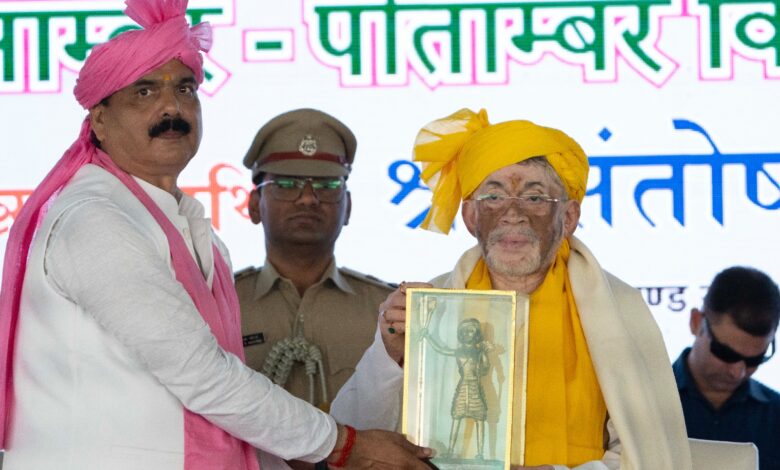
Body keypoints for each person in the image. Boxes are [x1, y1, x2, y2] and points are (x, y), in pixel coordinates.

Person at [0, 1, 431, 469]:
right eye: (144, 91)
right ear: (99, 120)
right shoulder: (96, 220)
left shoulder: (184, 226)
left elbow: (230, 424)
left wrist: (344, 441)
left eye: (185, 88)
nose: (172, 107)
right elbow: (202, 376)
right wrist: (347, 446)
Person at [331, 108, 693, 469]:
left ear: (568, 217)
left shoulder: (618, 308)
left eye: (534, 198)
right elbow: (357, 437)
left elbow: (646, 454)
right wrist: (389, 354)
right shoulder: (430, 305)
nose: (513, 213)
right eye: (494, 197)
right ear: (470, 216)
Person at [236, 109, 394, 412]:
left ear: (348, 207)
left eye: (327, 186)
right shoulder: (219, 305)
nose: (308, 198)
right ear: (254, 206)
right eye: (286, 185)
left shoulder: (386, 312)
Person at [673, 266, 780, 469]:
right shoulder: (640, 402)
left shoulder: (776, 416)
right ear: (696, 322)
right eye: (726, 354)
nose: (737, 372)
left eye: (755, 360)